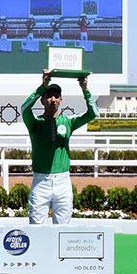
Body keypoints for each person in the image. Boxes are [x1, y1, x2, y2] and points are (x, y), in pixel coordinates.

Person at [21, 70, 97, 224]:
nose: (53, 99)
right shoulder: (35, 123)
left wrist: (85, 89)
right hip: (40, 182)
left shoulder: (68, 122)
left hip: (63, 182)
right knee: (36, 230)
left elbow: (93, 113)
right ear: (42, 101)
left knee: (63, 231)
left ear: (61, 100)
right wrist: (42, 86)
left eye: (56, 96)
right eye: (48, 96)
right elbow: (24, 108)